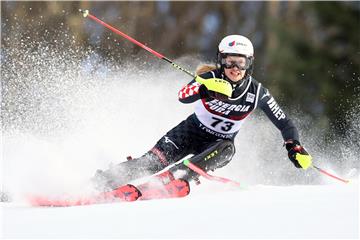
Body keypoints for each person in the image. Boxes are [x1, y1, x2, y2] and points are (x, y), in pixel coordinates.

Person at [93, 35, 312, 190]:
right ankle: (101, 182)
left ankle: (179, 175)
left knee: (227, 147)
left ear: (249, 65)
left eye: (241, 62)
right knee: (151, 162)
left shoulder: (257, 93)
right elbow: (183, 95)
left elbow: (284, 122)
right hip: (189, 132)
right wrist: (206, 89)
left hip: (216, 146)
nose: (235, 68)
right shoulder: (210, 78)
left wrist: (294, 145)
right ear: (221, 60)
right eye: (229, 61)